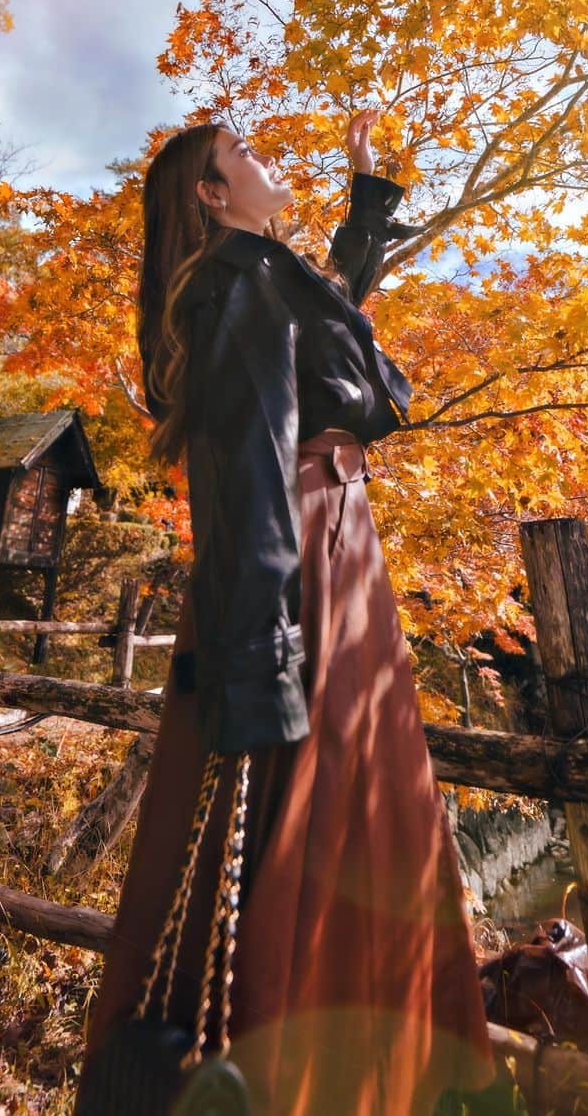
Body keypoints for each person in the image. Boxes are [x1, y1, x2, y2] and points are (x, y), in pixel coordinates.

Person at [75, 110, 501, 1114]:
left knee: (363, 812)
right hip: (302, 557)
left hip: (334, 545)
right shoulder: (232, 284)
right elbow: (250, 464)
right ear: (210, 196)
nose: (269, 166)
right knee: (295, 813)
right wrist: (263, 643)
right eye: (246, 158)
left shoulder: (262, 278)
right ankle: (287, 1073)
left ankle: (372, 1073)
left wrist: (366, 198)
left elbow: (331, 317)